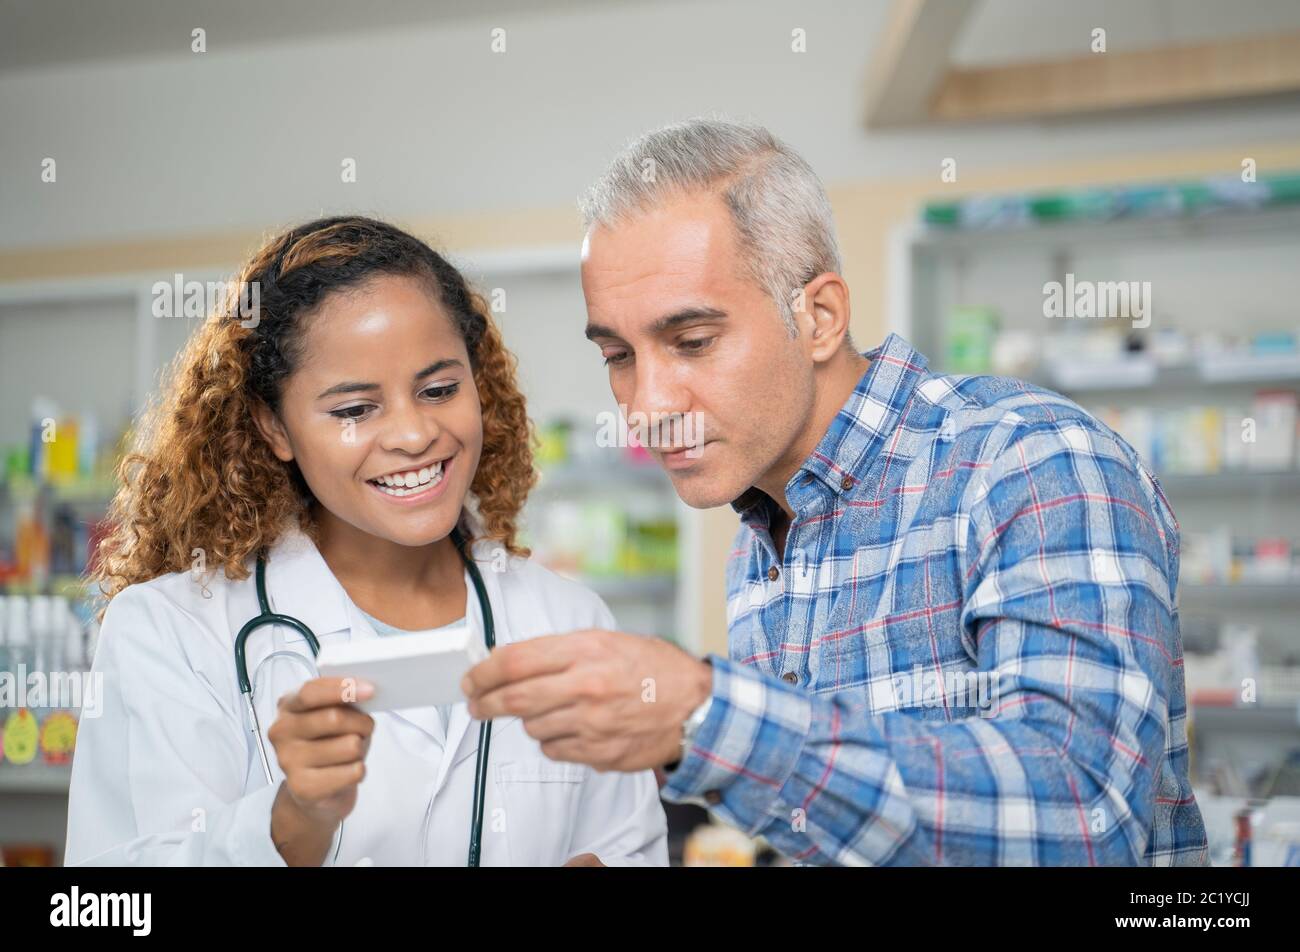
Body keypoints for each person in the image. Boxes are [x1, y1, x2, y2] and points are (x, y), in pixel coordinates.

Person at [462, 119, 1209, 866]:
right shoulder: (762, 551)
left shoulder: (1031, 462)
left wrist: (703, 712)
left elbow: (1082, 818)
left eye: (692, 342)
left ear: (818, 317)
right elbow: (848, 832)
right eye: (619, 356)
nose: (647, 405)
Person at [65, 216, 667, 867]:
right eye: (354, 409)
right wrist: (294, 818)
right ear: (275, 428)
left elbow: (628, 851)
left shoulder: (571, 622)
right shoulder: (173, 632)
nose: (412, 434)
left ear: (479, 383)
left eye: (439, 390)